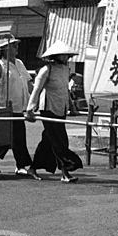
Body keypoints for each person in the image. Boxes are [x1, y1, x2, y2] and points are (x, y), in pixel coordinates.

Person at [24, 43, 83, 182]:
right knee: (59, 140)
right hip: (48, 109)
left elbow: (65, 89)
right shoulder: (46, 69)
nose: (65, 57)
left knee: (48, 141)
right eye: (62, 54)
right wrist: (30, 109)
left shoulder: (65, 70)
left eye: (66, 55)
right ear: (55, 56)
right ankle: (65, 173)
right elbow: (37, 89)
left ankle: (33, 168)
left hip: (61, 108)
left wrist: (72, 106)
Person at [0, 36, 36, 177]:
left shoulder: (19, 63)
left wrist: (35, 100)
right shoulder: (0, 66)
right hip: (7, 106)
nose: (16, 48)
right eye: (13, 46)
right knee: (18, 136)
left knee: (9, 136)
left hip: (20, 105)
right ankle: (20, 165)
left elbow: (29, 84)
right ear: (5, 49)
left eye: (16, 45)